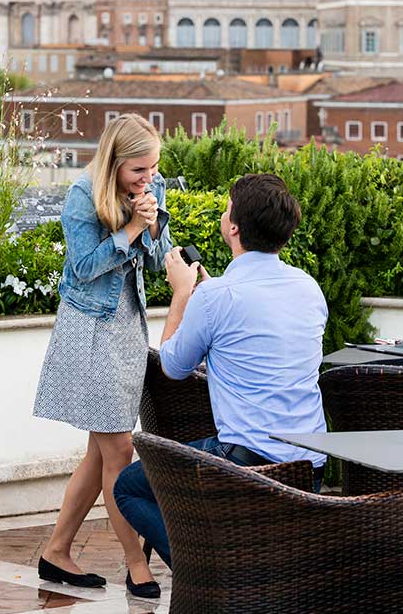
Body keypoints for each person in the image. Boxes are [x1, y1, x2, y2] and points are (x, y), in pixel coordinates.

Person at [114, 172, 328, 568]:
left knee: (127, 489)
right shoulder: (308, 288)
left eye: (228, 205)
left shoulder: (216, 297)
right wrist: (208, 302)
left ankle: (211, 573)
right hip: (308, 471)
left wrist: (183, 294)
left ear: (232, 227)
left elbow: (174, 367)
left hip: (244, 467)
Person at [33, 113, 171, 599]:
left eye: (153, 168)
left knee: (100, 450)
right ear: (114, 162)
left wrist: (152, 228)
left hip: (127, 331)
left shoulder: (151, 192)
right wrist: (133, 227)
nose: (148, 178)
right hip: (90, 331)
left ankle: (56, 551)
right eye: (139, 170)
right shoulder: (80, 195)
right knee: (118, 450)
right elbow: (85, 267)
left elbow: (155, 262)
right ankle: (135, 563)